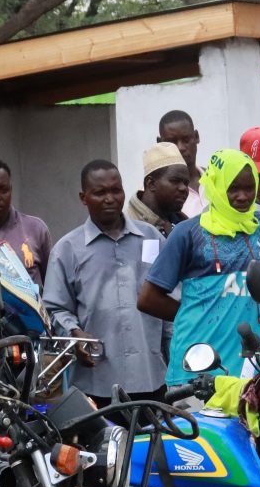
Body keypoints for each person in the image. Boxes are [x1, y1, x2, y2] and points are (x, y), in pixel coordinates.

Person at [138, 149, 260, 384]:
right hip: (197, 370)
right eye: (232, 188)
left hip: (252, 371)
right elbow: (147, 298)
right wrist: (196, 315)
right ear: (215, 186)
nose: (242, 196)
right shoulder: (189, 233)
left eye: (249, 188)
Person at [43, 159, 168, 404]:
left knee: (153, 443)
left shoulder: (151, 239)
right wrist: (74, 332)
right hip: (96, 384)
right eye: (100, 193)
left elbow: (170, 298)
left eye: (116, 190)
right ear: (84, 197)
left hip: (152, 377)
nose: (110, 199)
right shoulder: (68, 249)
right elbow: (54, 308)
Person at [127, 143, 190, 236]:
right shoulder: (127, 225)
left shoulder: (184, 224)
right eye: (175, 181)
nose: (184, 188)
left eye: (186, 183)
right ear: (151, 184)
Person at [158, 110, 204, 217]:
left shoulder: (216, 180)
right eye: (172, 142)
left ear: (196, 137)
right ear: (160, 143)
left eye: (186, 140)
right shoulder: (154, 192)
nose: (180, 148)